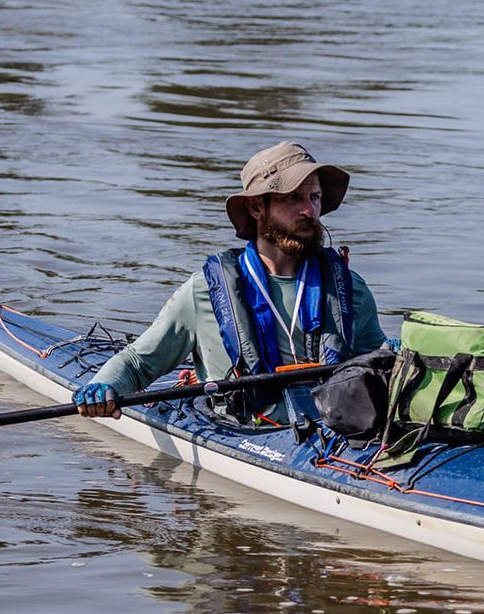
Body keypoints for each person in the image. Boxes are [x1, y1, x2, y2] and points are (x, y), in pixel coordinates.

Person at [74, 141, 392, 422]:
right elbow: (137, 364)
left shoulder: (351, 290)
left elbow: (376, 365)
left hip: (332, 432)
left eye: (315, 196)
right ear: (256, 207)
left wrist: (396, 358)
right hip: (242, 430)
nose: (309, 209)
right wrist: (103, 387)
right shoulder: (203, 293)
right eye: (294, 197)